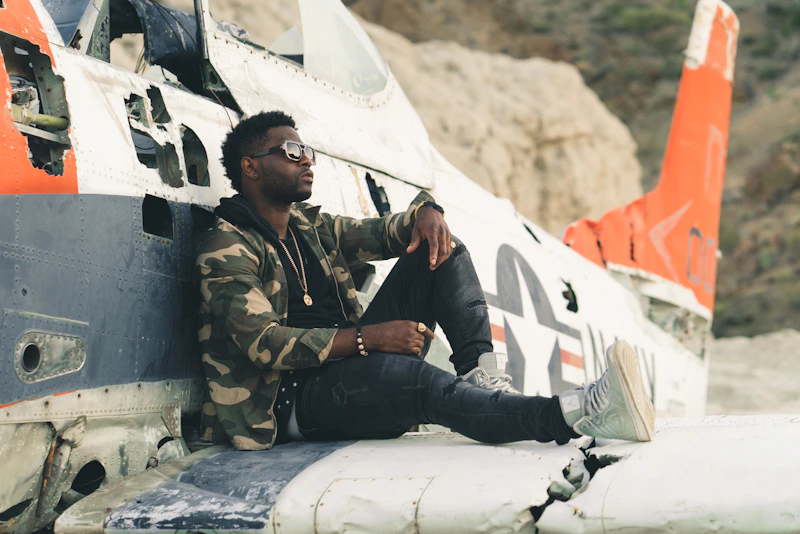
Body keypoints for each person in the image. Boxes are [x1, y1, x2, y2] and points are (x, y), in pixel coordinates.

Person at [196, 111, 655, 451]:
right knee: (420, 384)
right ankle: (577, 414)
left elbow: (389, 231)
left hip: (343, 368)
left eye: (308, 152)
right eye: (291, 153)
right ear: (250, 167)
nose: (306, 161)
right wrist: (368, 339)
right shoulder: (227, 245)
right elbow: (264, 344)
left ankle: (482, 374)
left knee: (441, 250)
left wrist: (426, 212)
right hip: (289, 402)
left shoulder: (309, 228)